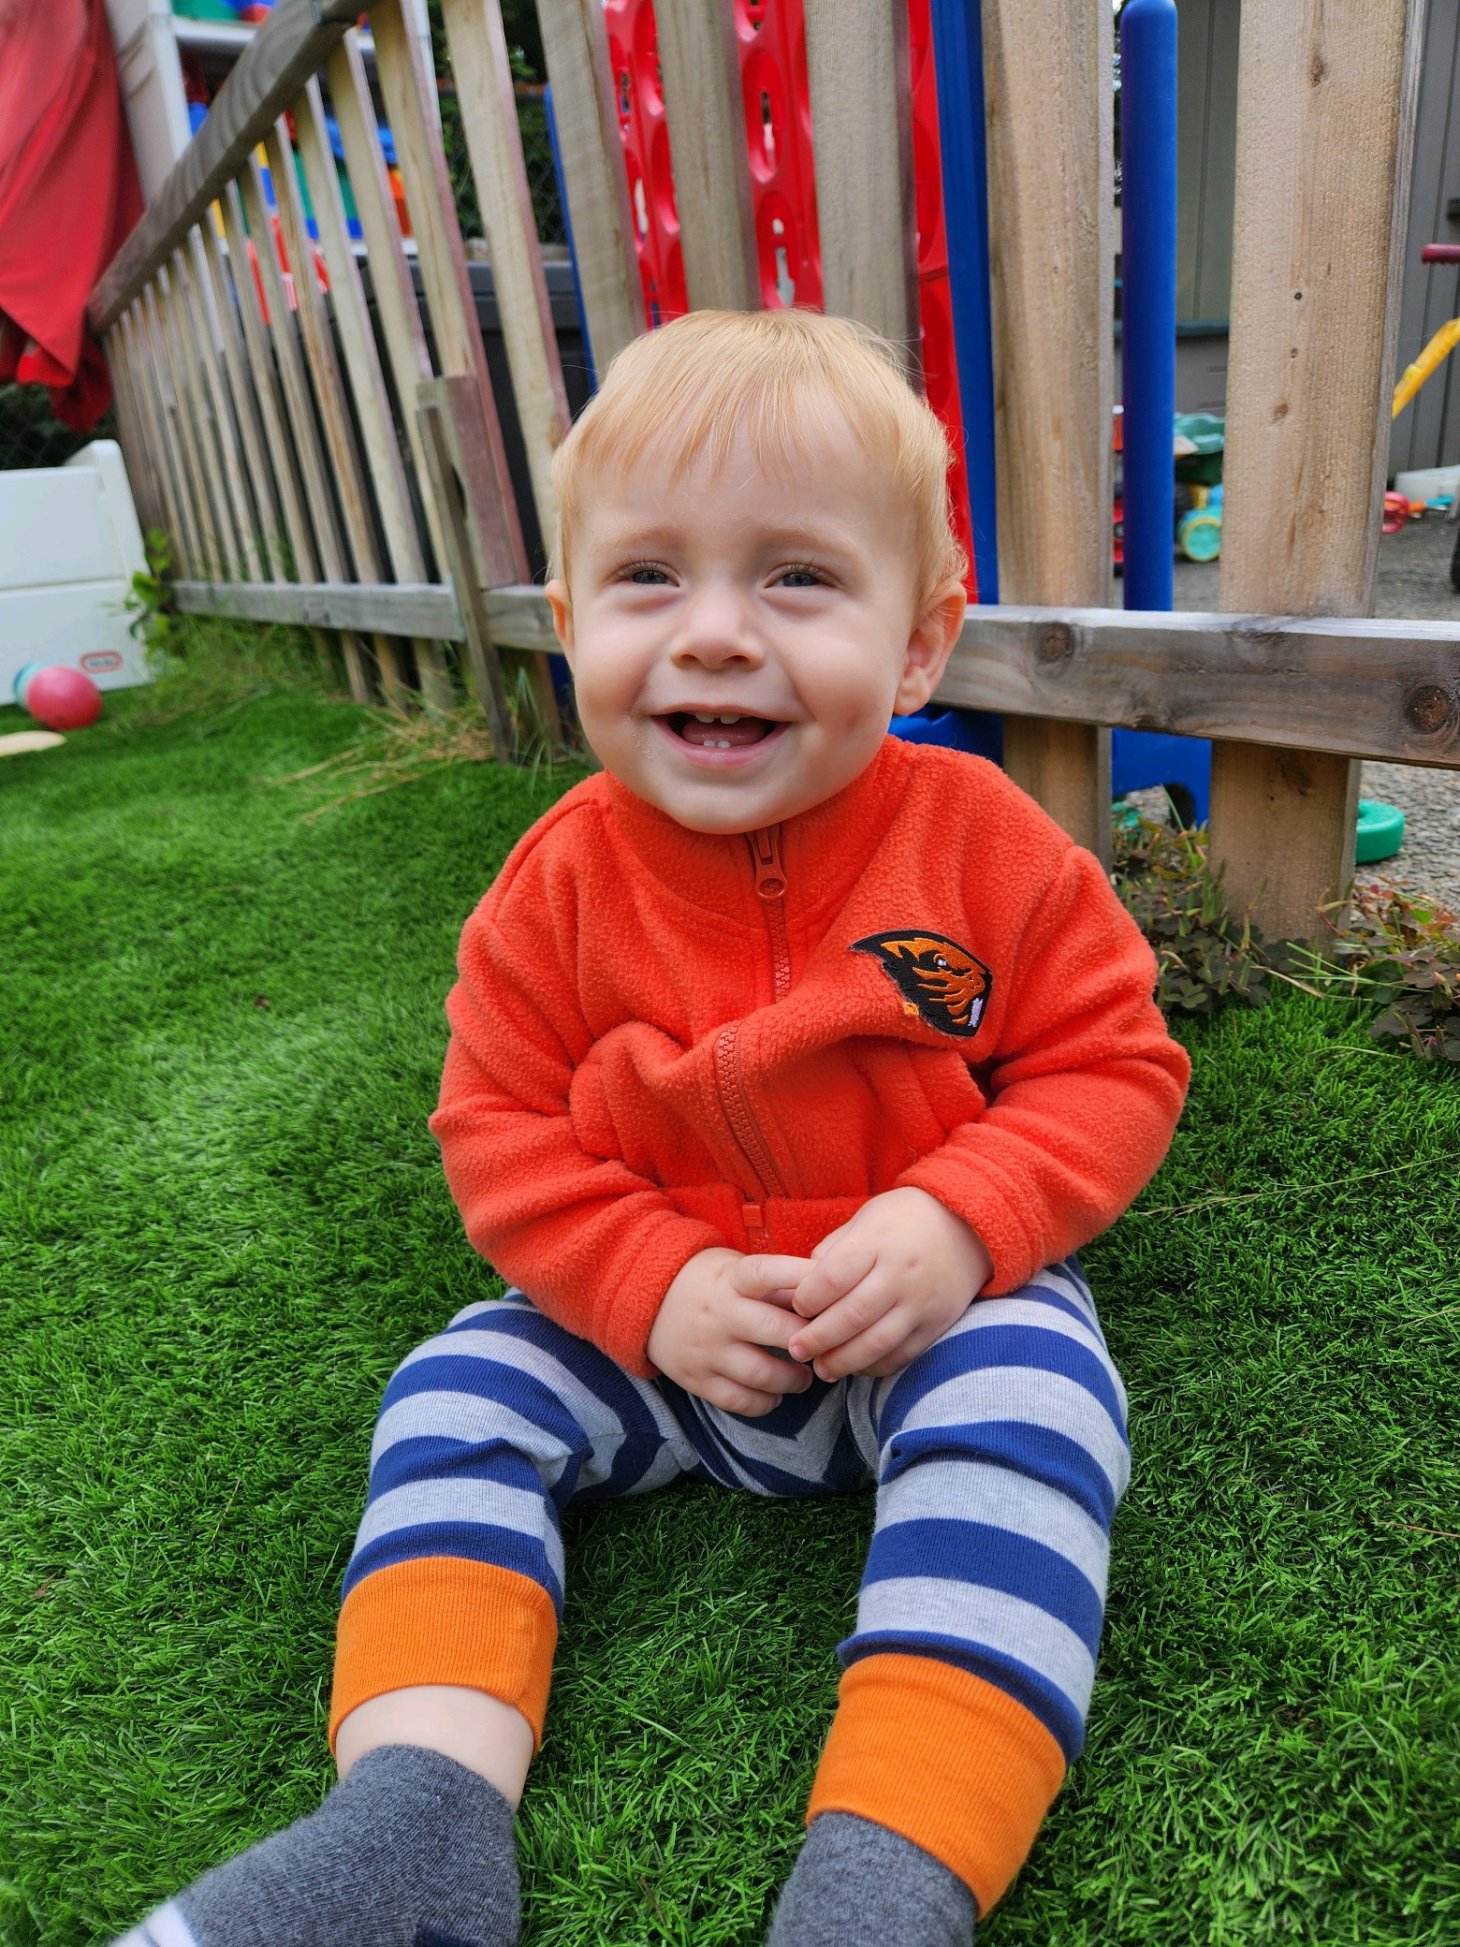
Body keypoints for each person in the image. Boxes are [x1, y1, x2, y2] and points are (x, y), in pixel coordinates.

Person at [116, 307, 1190, 1947]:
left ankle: (890, 1873)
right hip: (661, 1355)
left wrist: (967, 1217)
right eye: (647, 579)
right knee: (459, 1379)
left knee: (1043, 1384)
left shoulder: (988, 843)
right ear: (566, 622)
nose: (712, 635)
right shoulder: (552, 885)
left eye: (797, 577)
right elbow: (499, 1129)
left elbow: (1115, 1066)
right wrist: (648, 1284)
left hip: (921, 1326)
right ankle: (414, 1814)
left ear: (920, 641)